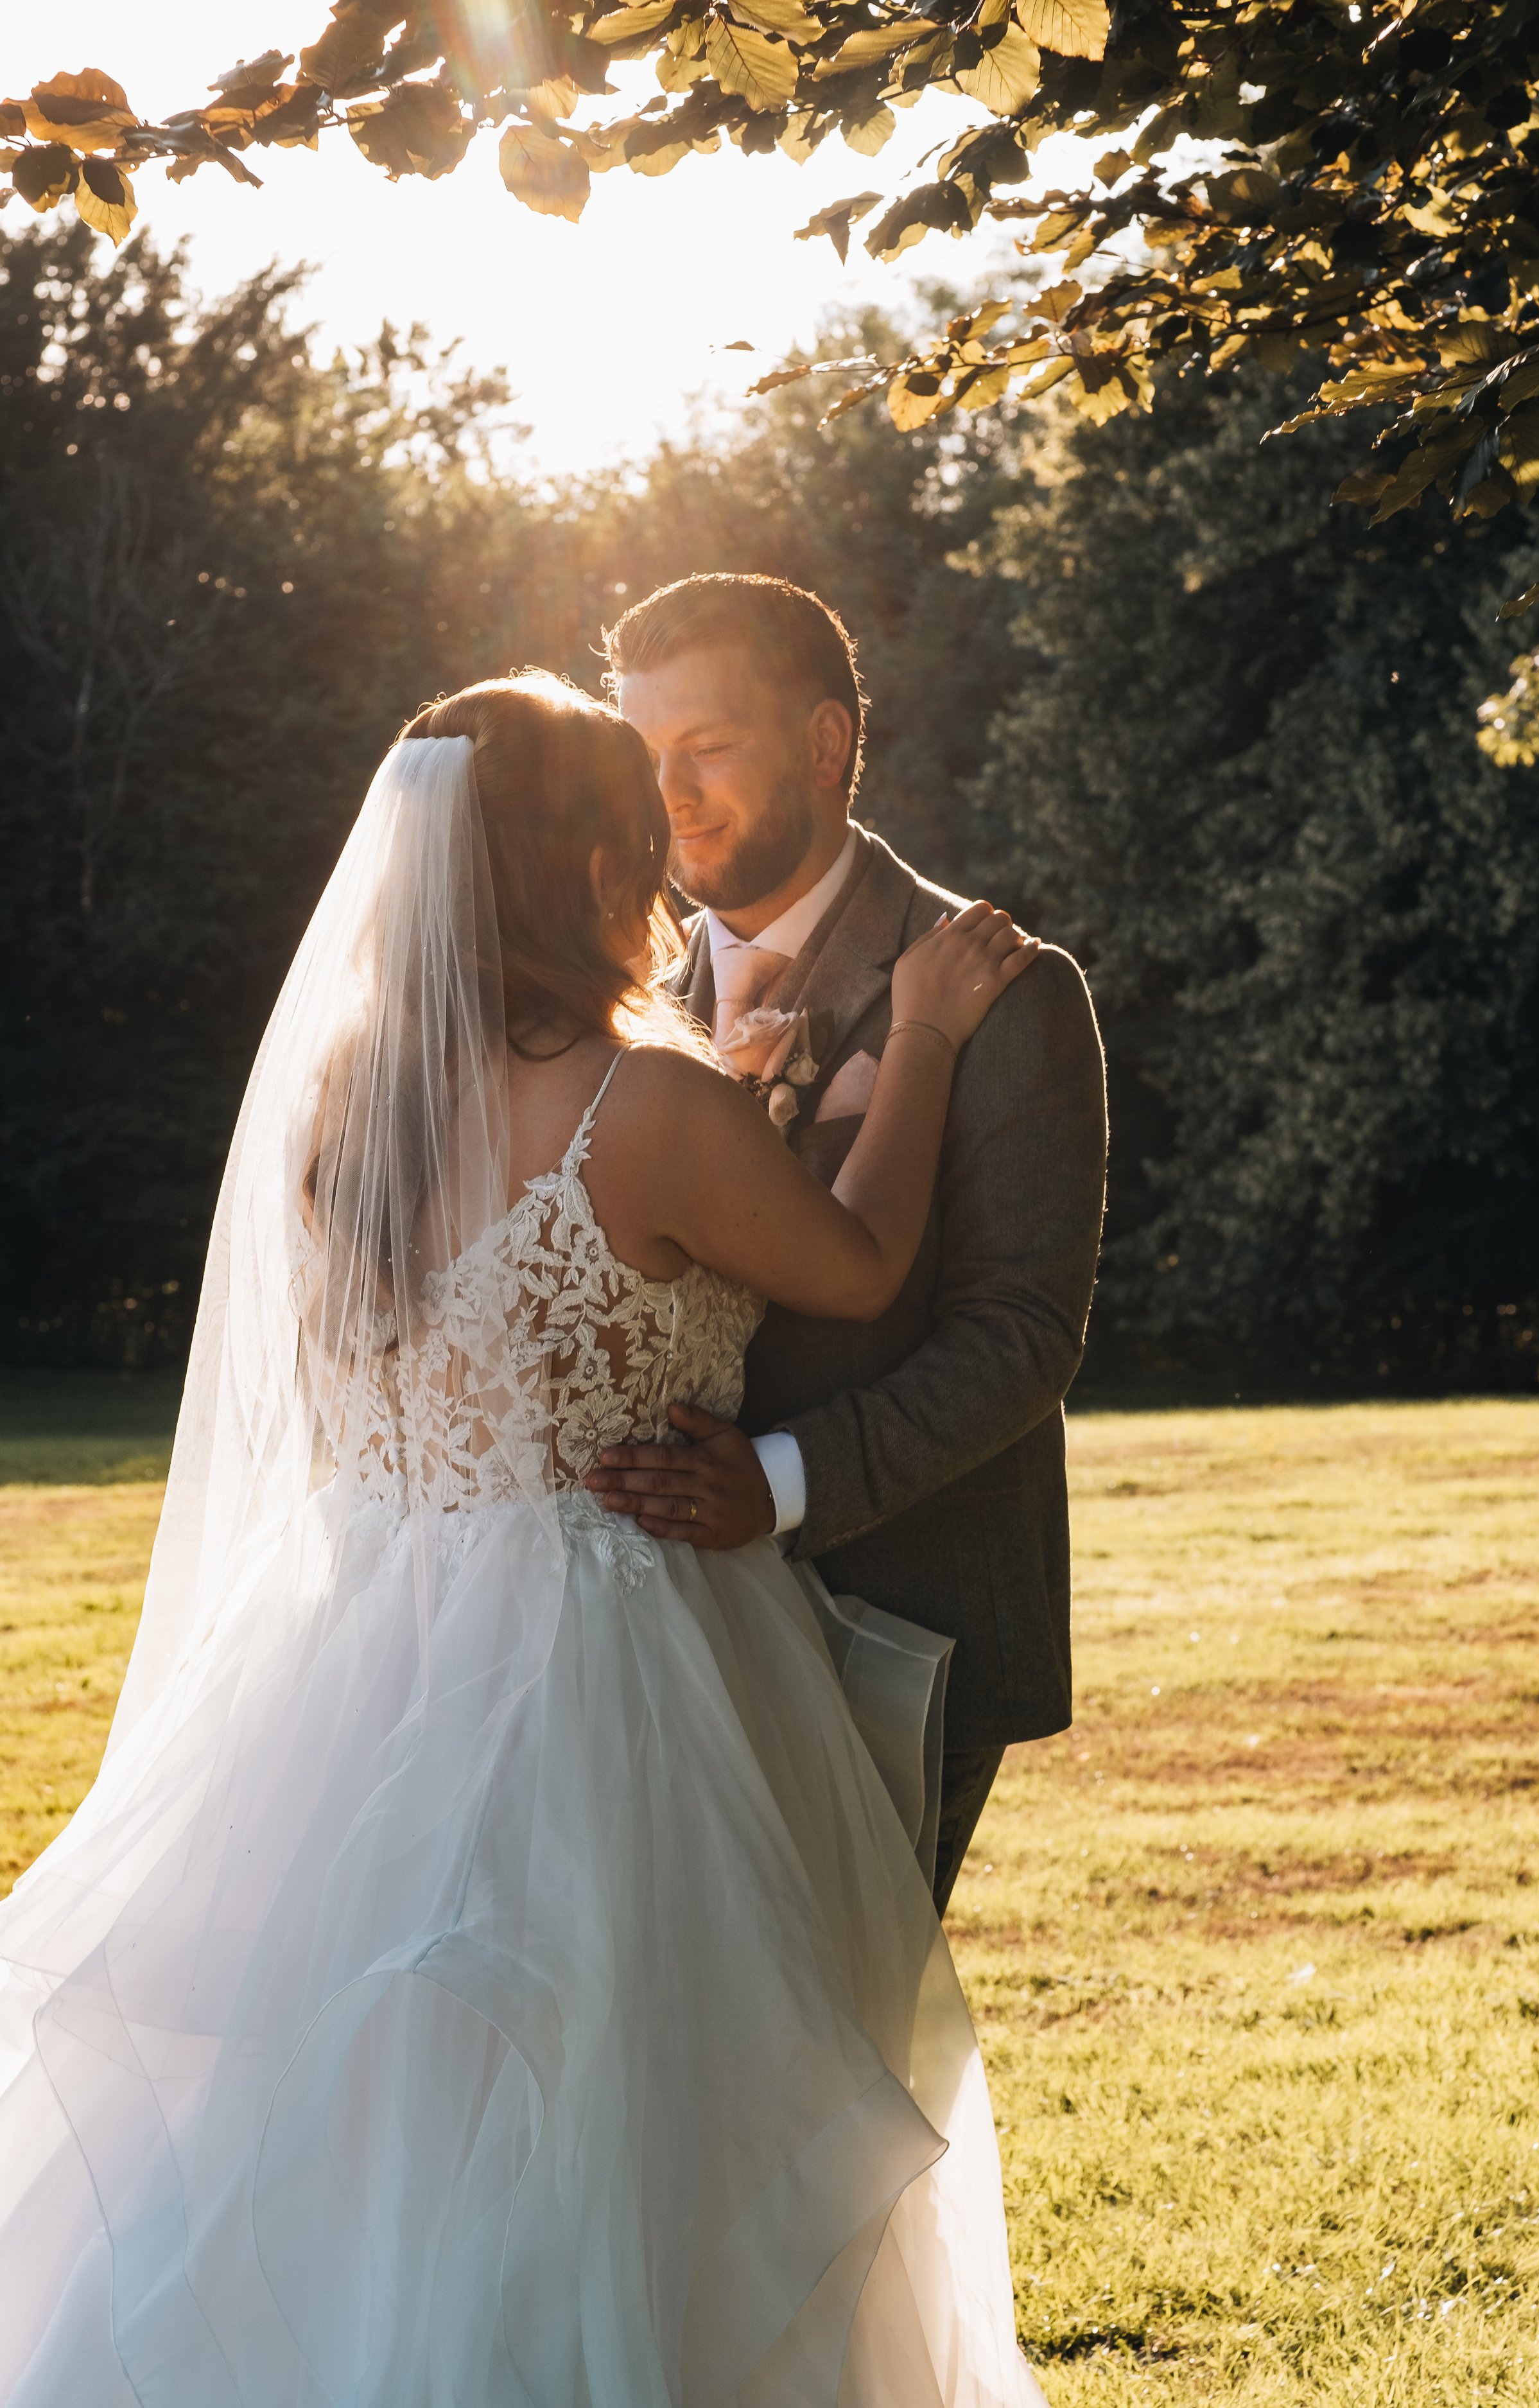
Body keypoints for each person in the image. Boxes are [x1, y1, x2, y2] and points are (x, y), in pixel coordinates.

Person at [0, 672, 1049, 2405]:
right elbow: (856, 1267)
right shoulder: (644, 1102)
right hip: (612, 1643)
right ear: (583, 859)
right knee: (646, 2107)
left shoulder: (347, 1099)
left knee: (365, 2096)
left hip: (363, 1638)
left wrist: (731, 1092)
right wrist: (922, 1029)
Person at [595, 575, 1108, 1910]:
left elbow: (1019, 1336)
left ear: (824, 744)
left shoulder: (1001, 989)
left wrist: (778, 1477)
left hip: (898, 1606)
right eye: (644, 759)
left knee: (839, 2078)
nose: (672, 796)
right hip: (651, 1624)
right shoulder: (627, 1000)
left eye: (705, 747)